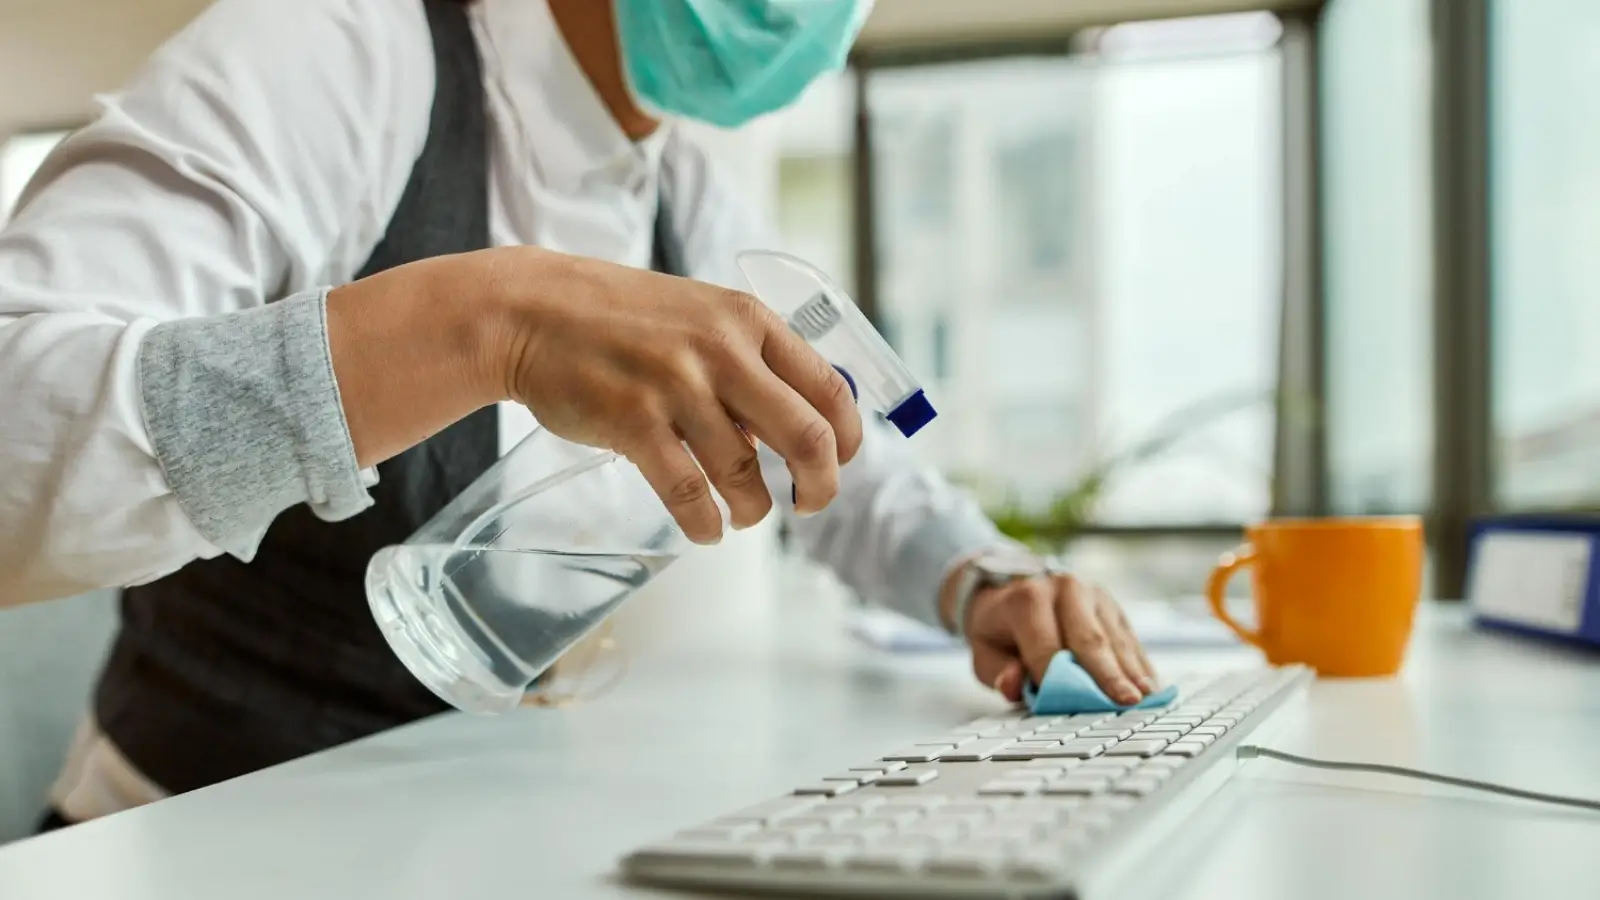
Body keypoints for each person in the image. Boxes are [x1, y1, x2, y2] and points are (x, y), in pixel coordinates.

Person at [0, 0, 1158, 832]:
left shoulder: (685, 188)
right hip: (198, 840)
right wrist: (487, 319)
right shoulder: (342, 48)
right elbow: (18, 419)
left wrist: (981, 580)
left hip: (464, 840)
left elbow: (838, 453)